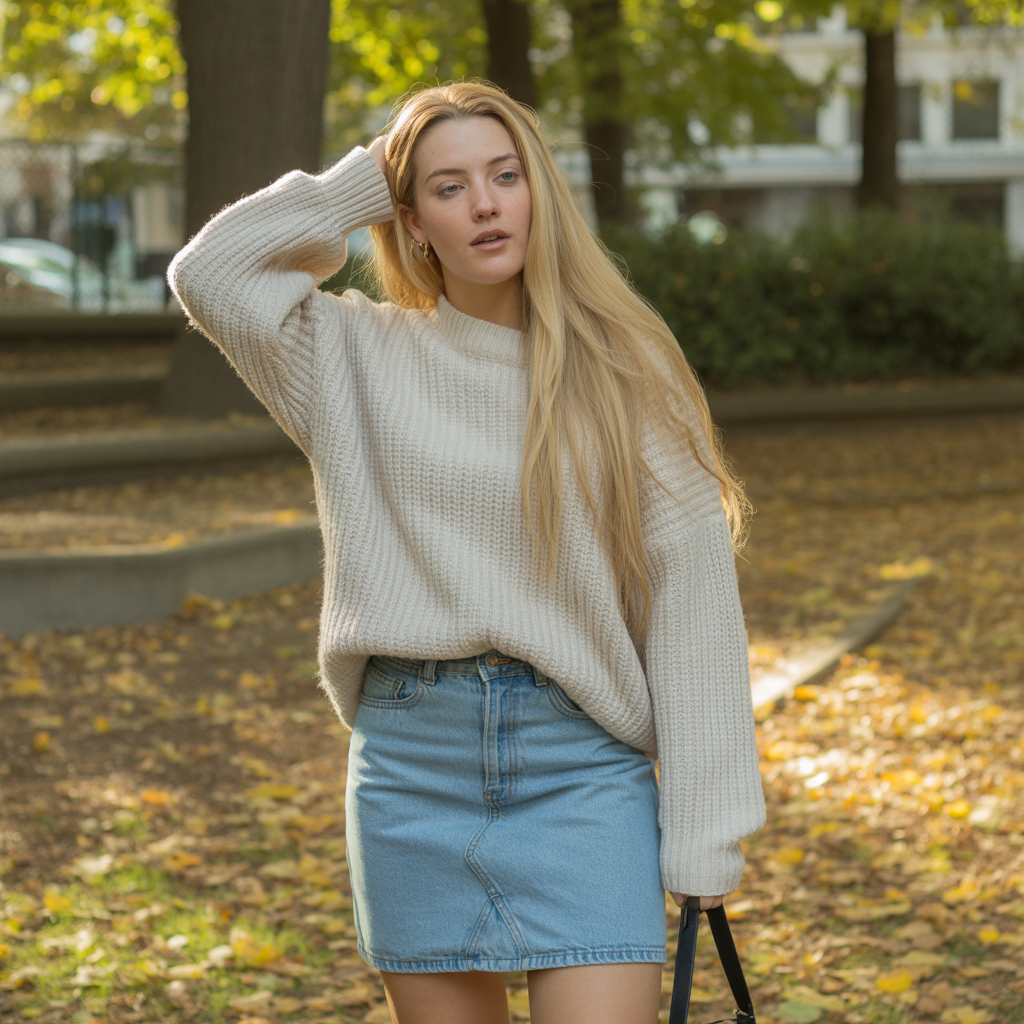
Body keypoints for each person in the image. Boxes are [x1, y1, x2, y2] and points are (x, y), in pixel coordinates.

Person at [168, 79, 765, 1024]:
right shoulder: (348, 357)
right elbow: (213, 274)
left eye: (505, 174)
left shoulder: (626, 374)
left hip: (582, 767)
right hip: (413, 768)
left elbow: (693, 609)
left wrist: (707, 835)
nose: (485, 204)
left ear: (540, 192)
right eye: (448, 188)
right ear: (409, 223)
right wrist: (374, 171)